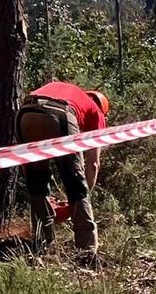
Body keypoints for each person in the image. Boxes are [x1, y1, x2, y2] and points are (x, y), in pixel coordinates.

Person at [17, 80, 109, 254]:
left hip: (25, 111)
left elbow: (25, 167)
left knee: (36, 180)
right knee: (74, 180)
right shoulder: (96, 112)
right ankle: (86, 248)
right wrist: (73, 205)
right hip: (59, 114)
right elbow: (93, 164)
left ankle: (42, 242)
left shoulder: (72, 93)